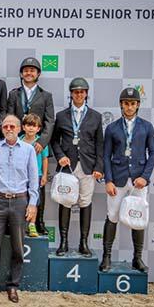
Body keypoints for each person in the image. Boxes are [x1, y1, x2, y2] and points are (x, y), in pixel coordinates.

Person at [0, 115, 39, 304]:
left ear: (19, 128)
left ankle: (13, 286)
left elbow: (33, 178)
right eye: (5, 126)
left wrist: (33, 203)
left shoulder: (28, 150)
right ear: (2, 129)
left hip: (20, 202)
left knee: (18, 248)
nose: (9, 129)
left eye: (12, 126)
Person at [100, 87, 154, 273]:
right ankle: (106, 257)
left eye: (133, 103)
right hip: (117, 179)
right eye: (126, 103)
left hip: (138, 180)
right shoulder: (112, 128)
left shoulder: (147, 126)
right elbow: (105, 155)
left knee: (138, 218)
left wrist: (145, 177)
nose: (129, 107)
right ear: (121, 105)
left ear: (138, 105)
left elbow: (153, 153)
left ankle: (137, 258)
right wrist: (108, 180)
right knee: (112, 216)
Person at [51, 78, 104, 257]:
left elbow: (100, 145)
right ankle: (63, 242)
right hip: (68, 165)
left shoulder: (96, 116)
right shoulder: (61, 116)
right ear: (71, 94)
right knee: (65, 200)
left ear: (86, 93)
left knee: (85, 202)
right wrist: (60, 156)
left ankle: (83, 243)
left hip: (88, 166)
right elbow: (53, 140)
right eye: (76, 91)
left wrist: (99, 166)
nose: (79, 94)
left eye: (82, 91)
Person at [7, 57, 55, 154]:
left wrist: (42, 142)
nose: (29, 73)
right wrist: (12, 139)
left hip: (37, 144)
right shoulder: (13, 94)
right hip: (17, 141)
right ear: (21, 74)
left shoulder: (46, 96)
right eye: (26, 71)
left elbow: (50, 121)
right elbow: (10, 118)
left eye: (32, 71)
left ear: (38, 74)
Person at [20, 114, 49, 237]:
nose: (31, 128)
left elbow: (45, 159)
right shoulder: (19, 141)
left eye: (34, 126)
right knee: (22, 200)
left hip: (36, 176)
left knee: (34, 200)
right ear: (23, 127)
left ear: (38, 129)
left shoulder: (40, 143)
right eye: (28, 125)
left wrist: (44, 175)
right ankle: (22, 225)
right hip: (21, 177)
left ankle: (32, 225)